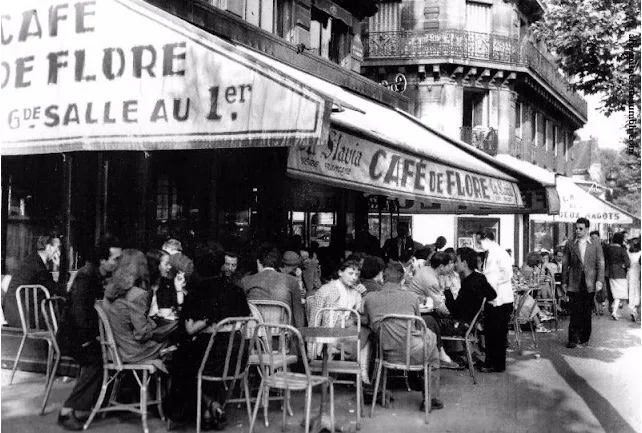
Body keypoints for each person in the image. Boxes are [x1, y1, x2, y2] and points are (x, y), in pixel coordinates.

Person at [165, 250, 251, 430]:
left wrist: (206, 321)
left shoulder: (197, 292)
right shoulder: (236, 290)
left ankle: (205, 408)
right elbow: (246, 321)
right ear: (221, 266)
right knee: (200, 354)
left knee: (184, 359)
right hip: (237, 357)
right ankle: (210, 408)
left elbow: (189, 329)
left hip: (211, 359)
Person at [57, 237, 122, 431]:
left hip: (89, 334)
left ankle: (99, 402)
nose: (119, 263)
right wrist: (89, 339)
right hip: (74, 336)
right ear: (103, 260)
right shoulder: (86, 277)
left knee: (109, 354)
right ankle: (67, 411)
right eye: (116, 259)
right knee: (97, 360)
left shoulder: (102, 276)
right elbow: (80, 314)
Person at [362, 262, 443, 411]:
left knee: (374, 339)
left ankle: (377, 389)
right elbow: (419, 325)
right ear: (402, 279)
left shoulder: (370, 297)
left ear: (382, 278)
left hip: (384, 354)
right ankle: (431, 398)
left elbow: (366, 321)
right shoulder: (411, 297)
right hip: (413, 352)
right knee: (431, 344)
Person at [102, 249, 176, 364]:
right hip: (133, 353)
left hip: (114, 350)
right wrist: (152, 325)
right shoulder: (137, 294)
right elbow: (141, 334)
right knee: (172, 344)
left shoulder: (111, 290)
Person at [306, 260, 372, 384]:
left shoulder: (354, 291)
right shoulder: (326, 290)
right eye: (351, 273)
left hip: (346, 331)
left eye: (356, 275)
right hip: (330, 332)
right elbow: (314, 319)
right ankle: (361, 372)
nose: (354, 277)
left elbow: (361, 312)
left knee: (366, 332)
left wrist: (363, 295)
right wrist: (312, 347)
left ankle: (362, 371)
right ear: (340, 272)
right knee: (365, 333)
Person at [562, 218, 605, 349]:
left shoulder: (596, 244)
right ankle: (572, 338)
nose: (577, 231)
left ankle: (584, 337)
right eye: (576, 228)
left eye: (580, 228)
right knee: (574, 311)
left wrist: (600, 280)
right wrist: (564, 281)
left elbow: (601, 264)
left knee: (586, 311)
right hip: (574, 282)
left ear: (587, 229)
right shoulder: (570, 244)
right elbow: (565, 264)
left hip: (589, 282)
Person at [2, 234, 61, 328]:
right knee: (60, 310)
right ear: (49, 247)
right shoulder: (39, 266)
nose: (59, 252)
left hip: (13, 312)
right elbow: (55, 289)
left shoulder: (32, 259)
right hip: (24, 316)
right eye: (58, 248)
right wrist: (59, 267)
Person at [241, 244, 305, 328]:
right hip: (282, 335)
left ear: (258, 262)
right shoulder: (292, 281)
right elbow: (298, 315)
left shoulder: (246, 281)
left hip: (255, 336)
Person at [478, 229, 513, 373]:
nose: (479, 245)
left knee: (497, 334)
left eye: (480, 241)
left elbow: (507, 273)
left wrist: (493, 283)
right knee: (491, 333)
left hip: (500, 299)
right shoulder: (491, 253)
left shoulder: (499, 253)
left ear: (487, 239)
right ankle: (491, 362)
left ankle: (496, 364)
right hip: (494, 298)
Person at [408, 252, 452, 317]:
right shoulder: (431, 280)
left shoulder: (425, 269)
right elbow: (439, 305)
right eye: (448, 266)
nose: (450, 268)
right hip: (417, 313)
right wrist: (451, 315)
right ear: (441, 267)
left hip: (415, 307)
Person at [604, 232, 630, 321]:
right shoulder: (622, 250)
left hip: (609, 272)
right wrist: (624, 266)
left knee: (614, 293)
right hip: (620, 273)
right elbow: (627, 262)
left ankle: (614, 310)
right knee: (620, 294)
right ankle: (615, 312)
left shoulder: (608, 248)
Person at [627, 238, 641, 322]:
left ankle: (632, 309)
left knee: (631, 290)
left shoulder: (628, 251)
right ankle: (635, 309)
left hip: (630, 272)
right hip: (638, 272)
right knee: (637, 291)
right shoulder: (640, 252)